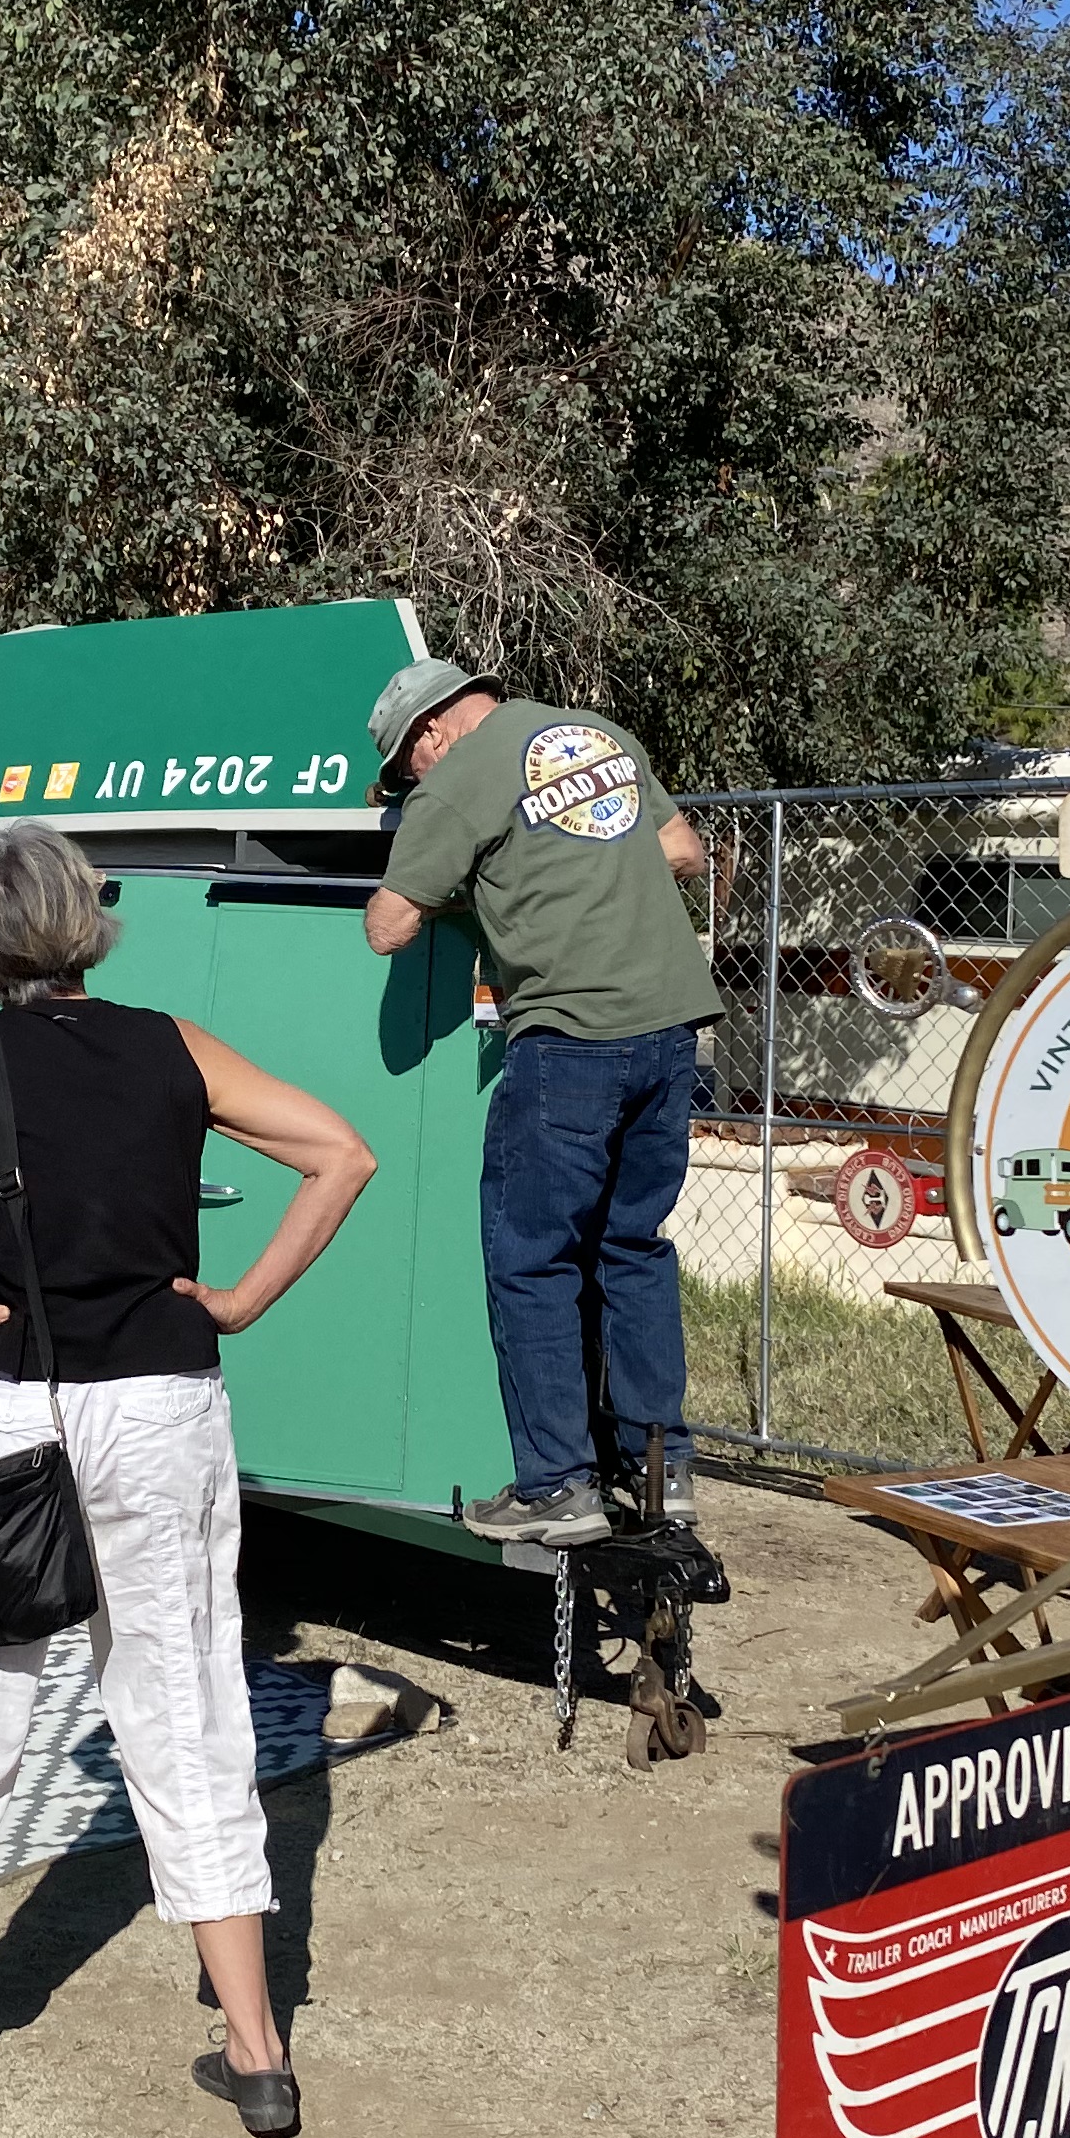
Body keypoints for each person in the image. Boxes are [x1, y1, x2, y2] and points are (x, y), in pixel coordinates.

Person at [0, 822, 375, 2138]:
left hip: (13, 1411)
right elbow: (341, 1153)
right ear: (83, 923)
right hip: (168, 1406)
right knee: (185, 1713)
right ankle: (257, 2052)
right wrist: (236, 1299)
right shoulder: (175, 1047)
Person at [361, 655, 719, 1547]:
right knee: (633, 1246)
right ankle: (661, 1469)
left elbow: (387, 926)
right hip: (673, 1029)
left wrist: (463, 893)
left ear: (430, 734)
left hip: (570, 1038)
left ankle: (557, 1485)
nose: (415, 783)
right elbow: (683, 852)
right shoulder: (597, 735)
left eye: (408, 770)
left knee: (532, 1258)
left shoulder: (460, 780)